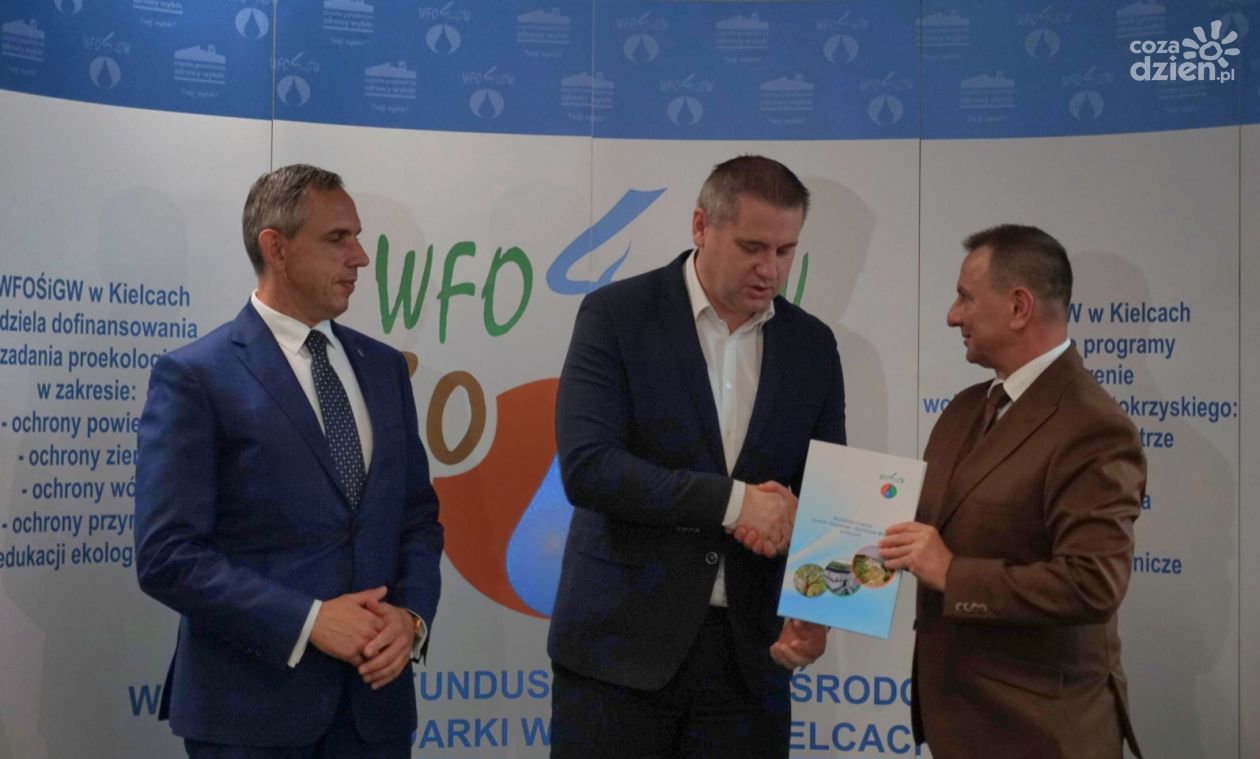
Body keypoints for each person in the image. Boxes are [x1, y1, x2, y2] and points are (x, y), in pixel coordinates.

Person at [134, 164, 443, 758]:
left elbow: (416, 519)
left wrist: (410, 618)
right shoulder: (196, 376)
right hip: (249, 716)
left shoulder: (384, 368)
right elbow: (167, 554)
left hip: (375, 713)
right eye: (337, 239)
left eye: (357, 237)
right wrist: (308, 621)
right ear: (275, 248)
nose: (360, 258)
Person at [547, 155, 846, 757]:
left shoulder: (812, 345)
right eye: (752, 247)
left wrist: (819, 607)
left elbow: (830, 493)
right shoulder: (616, 315)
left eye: (786, 250)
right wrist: (736, 504)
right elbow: (590, 468)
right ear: (701, 226)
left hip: (750, 664)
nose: (770, 268)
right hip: (619, 654)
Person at [879, 224, 1144, 759]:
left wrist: (952, 573)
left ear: (1019, 307)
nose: (952, 315)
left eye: (965, 297)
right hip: (960, 726)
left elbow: (1093, 583)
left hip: (1041, 735)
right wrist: (815, 531)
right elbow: (919, 531)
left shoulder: (1092, 426)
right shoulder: (963, 410)